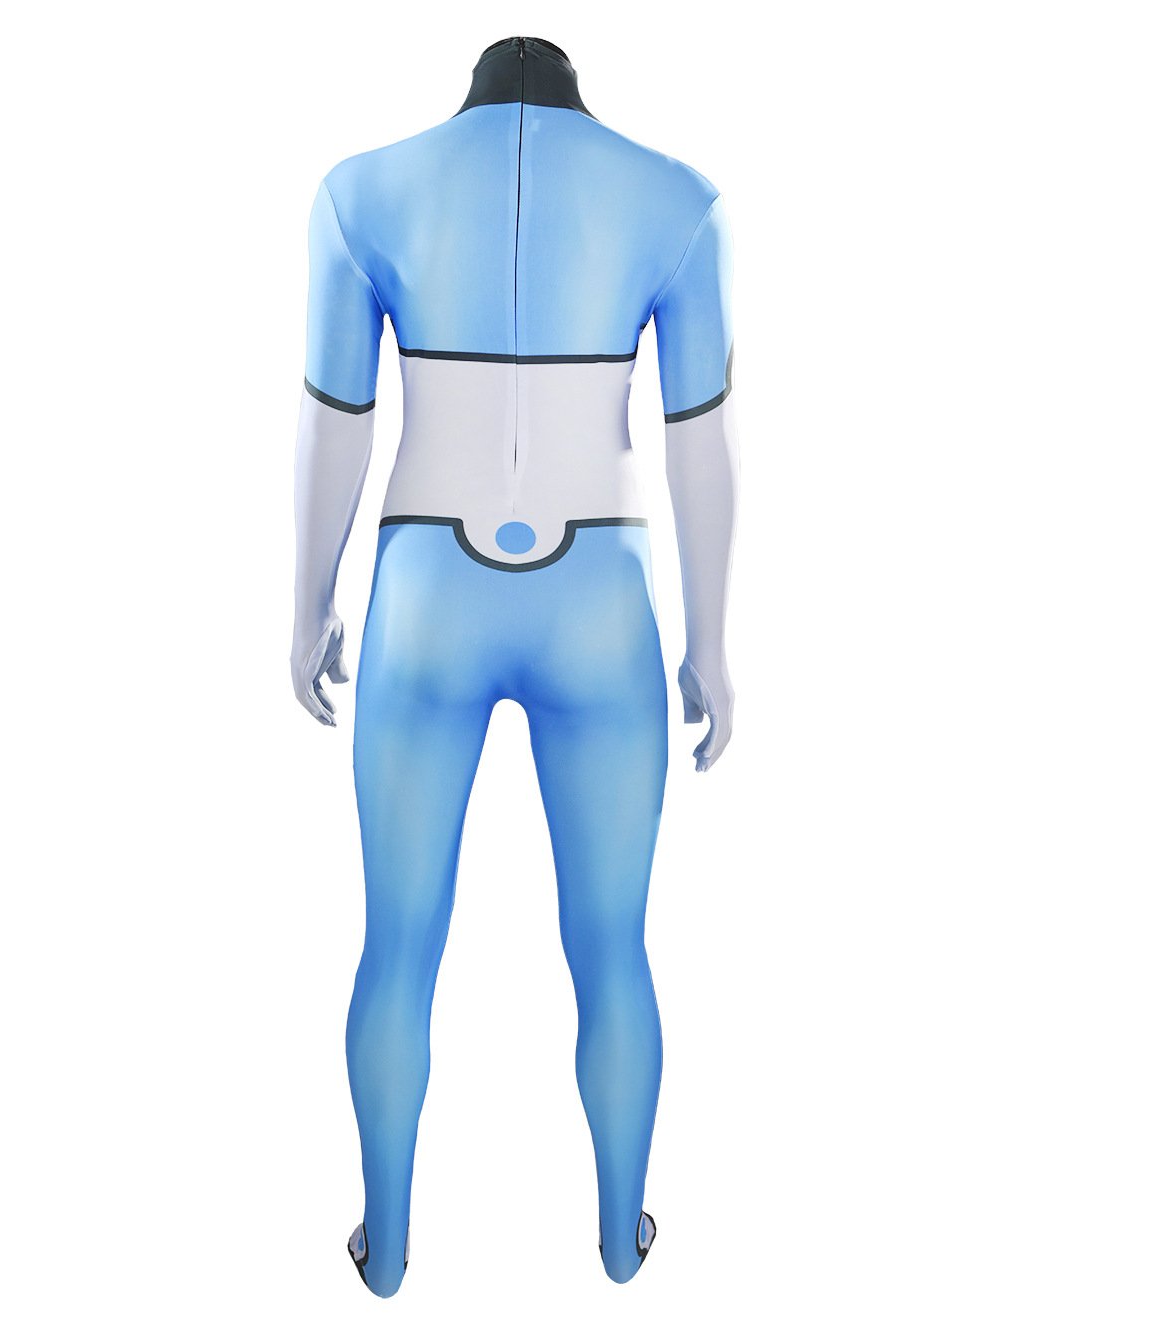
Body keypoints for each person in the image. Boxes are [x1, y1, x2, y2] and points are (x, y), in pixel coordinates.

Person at [291, 35, 738, 1296]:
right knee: (611, 945)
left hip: (424, 592)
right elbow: (698, 445)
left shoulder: (360, 193)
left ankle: (385, 1244)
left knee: (397, 942)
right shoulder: (677, 202)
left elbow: (334, 421)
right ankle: (619, 1237)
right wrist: (709, 642)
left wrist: (306, 605)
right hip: (601, 596)